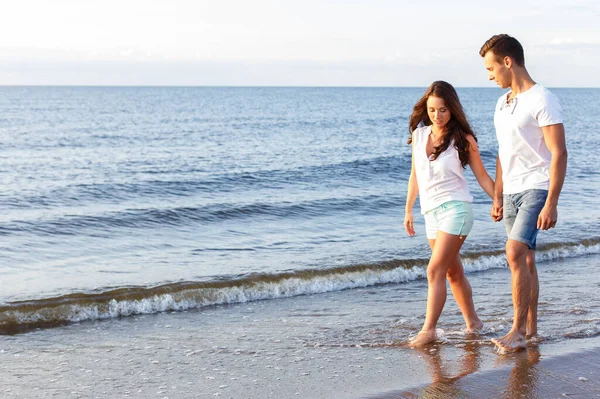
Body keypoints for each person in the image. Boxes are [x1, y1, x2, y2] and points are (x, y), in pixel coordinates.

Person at [479, 34, 568, 351]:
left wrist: (552, 203)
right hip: (512, 191)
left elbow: (559, 153)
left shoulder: (542, 98)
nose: (490, 76)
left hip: (537, 187)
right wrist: (497, 195)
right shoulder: (502, 104)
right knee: (527, 259)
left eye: (491, 68)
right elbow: (503, 153)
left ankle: (516, 330)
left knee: (514, 253)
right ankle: (531, 330)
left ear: (508, 61)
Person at [404, 81, 495, 347]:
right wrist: (408, 209)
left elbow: (481, 176)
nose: (437, 115)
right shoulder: (420, 137)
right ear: (426, 109)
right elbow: (415, 175)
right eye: (432, 110)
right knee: (452, 274)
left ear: (452, 109)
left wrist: (498, 200)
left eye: (443, 110)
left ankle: (428, 331)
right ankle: (474, 323)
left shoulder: (463, 140)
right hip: (430, 212)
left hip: (457, 209)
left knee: (434, 269)